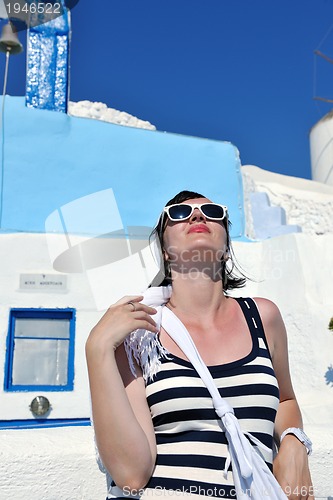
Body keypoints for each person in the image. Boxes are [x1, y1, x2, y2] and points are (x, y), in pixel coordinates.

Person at [86, 190, 314, 499]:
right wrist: (96, 347)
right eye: (178, 213)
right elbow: (131, 474)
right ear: (165, 251)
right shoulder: (140, 333)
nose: (197, 216)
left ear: (226, 248)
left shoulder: (263, 317)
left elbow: (285, 401)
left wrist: (292, 440)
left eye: (212, 211)